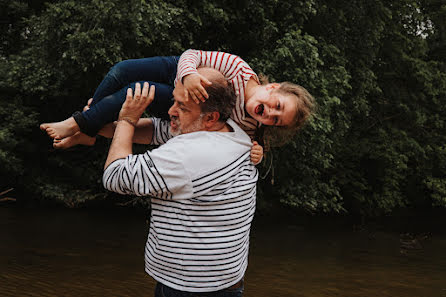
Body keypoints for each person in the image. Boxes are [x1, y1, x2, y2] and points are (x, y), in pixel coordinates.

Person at [103, 67, 257, 296]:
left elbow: (116, 176)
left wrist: (127, 119)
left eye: (181, 107)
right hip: (225, 281)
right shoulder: (234, 131)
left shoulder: (189, 154)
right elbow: (161, 130)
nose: (171, 111)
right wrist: (98, 126)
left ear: (211, 118)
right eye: (174, 101)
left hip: (189, 289)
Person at [40, 49, 315, 156]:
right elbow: (191, 55)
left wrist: (256, 156)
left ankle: (79, 123)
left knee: (135, 91)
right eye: (276, 105)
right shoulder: (238, 68)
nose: (269, 113)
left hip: (183, 102)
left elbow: (245, 149)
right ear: (273, 87)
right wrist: (190, 74)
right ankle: (87, 127)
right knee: (121, 70)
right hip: (177, 71)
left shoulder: (250, 126)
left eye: (275, 120)